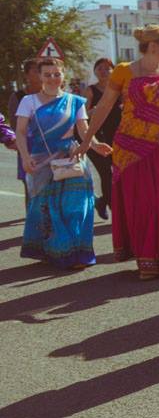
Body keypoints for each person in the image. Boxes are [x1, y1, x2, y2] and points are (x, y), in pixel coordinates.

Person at [80, 27, 159, 280]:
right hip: (133, 148)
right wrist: (87, 139)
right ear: (154, 45)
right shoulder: (124, 71)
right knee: (147, 203)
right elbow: (104, 106)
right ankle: (148, 260)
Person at [15, 58, 111, 269]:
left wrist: (95, 146)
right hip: (42, 162)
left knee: (77, 207)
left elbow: (84, 131)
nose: (52, 78)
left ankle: (78, 253)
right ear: (40, 76)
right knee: (49, 208)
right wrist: (24, 156)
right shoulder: (28, 102)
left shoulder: (75, 101)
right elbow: (20, 132)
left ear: (63, 76)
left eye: (56, 74)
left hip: (72, 159)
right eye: (47, 74)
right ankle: (58, 251)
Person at [85, 58, 120, 220]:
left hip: (117, 137)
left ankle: (103, 201)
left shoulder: (120, 90)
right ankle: (114, 208)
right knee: (106, 173)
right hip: (96, 137)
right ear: (95, 71)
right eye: (100, 68)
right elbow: (83, 116)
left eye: (108, 68)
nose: (104, 71)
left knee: (118, 173)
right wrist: (99, 108)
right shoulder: (90, 91)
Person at [9, 58, 42, 207]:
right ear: (27, 75)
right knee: (30, 188)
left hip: (50, 147)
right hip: (28, 148)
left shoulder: (51, 95)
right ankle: (33, 225)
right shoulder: (18, 97)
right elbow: (15, 126)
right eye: (35, 70)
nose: (40, 73)